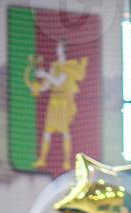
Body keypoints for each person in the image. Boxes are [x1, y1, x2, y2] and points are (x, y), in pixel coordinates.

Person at [24, 40, 88, 172]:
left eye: (59, 47)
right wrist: (38, 88)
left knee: (65, 133)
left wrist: (45, 74)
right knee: (47, 132)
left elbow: (58, 82)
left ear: (63, 50)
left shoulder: (68, 66)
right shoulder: (54, 65)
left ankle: (66, 162)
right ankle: (42, 159)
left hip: (63, 104)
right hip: (53, 103)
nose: (56, 49)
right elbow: (49, 84)